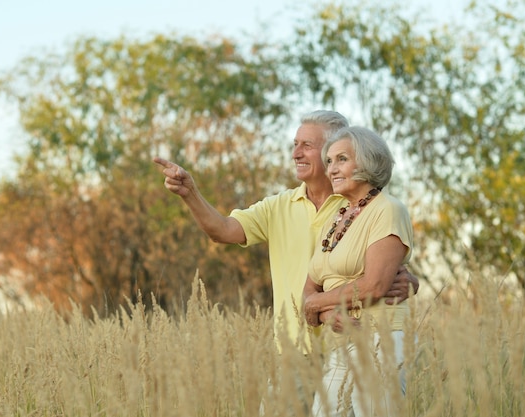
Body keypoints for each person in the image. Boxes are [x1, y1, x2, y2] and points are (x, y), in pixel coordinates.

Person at [153, 110, 418, 352]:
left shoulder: (364, 205)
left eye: (307, 146)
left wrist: (408, 281)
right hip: (294, 350)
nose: (296, 153)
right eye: (295, 145)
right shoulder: (279, 205)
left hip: (347, 343)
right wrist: (190, 194)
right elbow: (222, 230)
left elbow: (381, 273)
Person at [303, 126, 414, 417]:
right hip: (339, 340)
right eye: (328, 161)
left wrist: (315, 305)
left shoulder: (388, 210)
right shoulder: (335, 218)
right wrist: (325, 312)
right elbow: (311, 288)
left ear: (367, 161)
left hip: (379, 337)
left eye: (341, 159)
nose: (331, 170)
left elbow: (374, 286)